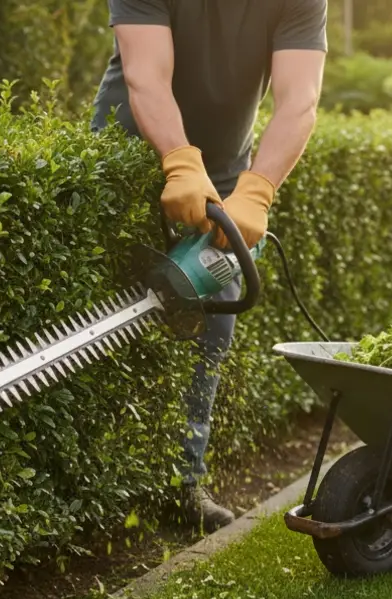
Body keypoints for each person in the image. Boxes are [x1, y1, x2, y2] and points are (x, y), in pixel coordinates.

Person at [89, 1, 328, 531]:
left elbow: (299, 100)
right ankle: (90, 495)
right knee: (105, 325)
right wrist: (177, 159)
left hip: (223, 175)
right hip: (126, 159)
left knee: (208, 334)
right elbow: (145, 74)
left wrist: (258, 189)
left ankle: (181, 486)